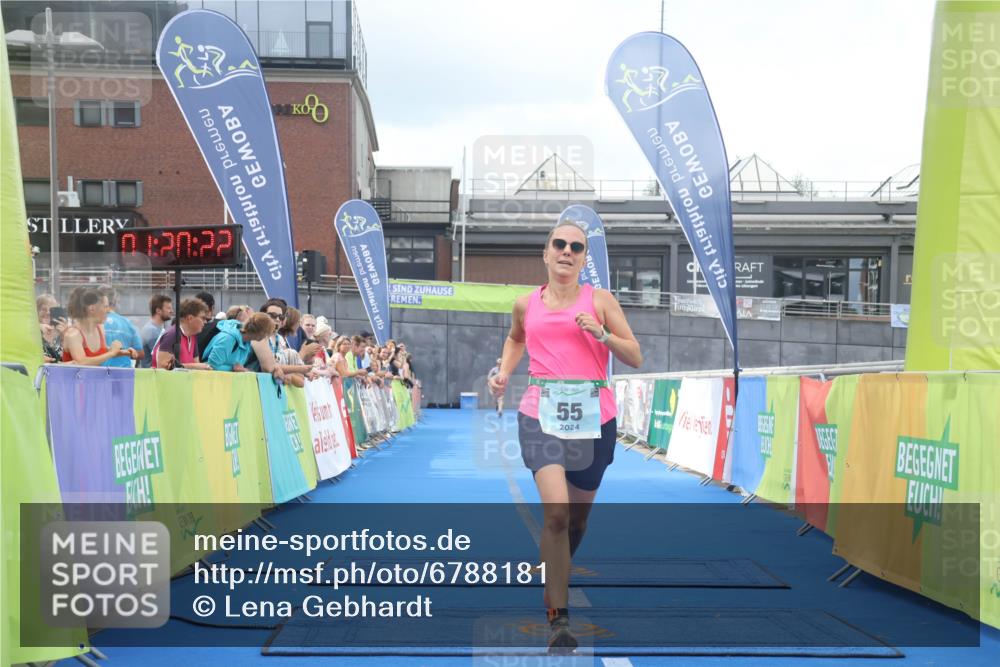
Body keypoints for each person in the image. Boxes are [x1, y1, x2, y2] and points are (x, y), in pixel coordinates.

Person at [488, 220, 642, 653]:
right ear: (546, 252)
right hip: (541, 414)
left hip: (595, 418)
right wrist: (504, 373)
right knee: (555, 514)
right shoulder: (525, 304)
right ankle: (559, 616)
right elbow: (516, 338)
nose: (567, 252)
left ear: (583, 258)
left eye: (576, 247)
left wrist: (603, 334)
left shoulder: (601, 301)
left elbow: (635, 355)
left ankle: (556, 570)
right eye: (560, 244)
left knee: (577, 520)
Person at [61, 286, 135, 366]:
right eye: (105, 306)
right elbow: (81, 362)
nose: (108, 310)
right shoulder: (73, 335)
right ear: (92, 309)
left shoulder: (100, 328)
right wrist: (111, 353)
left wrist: (121, 352)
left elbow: (100, 352)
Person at [152, 298, 212, 370]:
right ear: (190, 318)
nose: (205, 322)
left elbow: (196, 364)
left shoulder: (192, 336)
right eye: (203, 318)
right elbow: (162, 368)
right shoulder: (171, 335)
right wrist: (195, 366)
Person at [203, 313, 275, 372]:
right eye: (267, 333)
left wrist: (240, 369)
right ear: (260, 332)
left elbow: (238, 367)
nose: (267, 337)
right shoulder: (228, 338)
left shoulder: (246, 343)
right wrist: (232, 368)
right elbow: (210, 367)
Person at [99, 286, 144, 368]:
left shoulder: (93, 324)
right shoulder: (127, 323)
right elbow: (140, 353)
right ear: (116, 301)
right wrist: (128, 352)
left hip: (98, 373)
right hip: (124, 374)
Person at [141, 295, 173, 368]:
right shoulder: (152, 331)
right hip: (152, 376)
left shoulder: (157, 329)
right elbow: (159, 357)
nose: (171, 311)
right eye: (168, 308)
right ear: (158, 310)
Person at [37, 293, 66, 363]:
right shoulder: (31, 331)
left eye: (51, 310)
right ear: (36, 311)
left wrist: (65, 336)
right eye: (43, 309)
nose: (48, 312)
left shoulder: (63, 332)